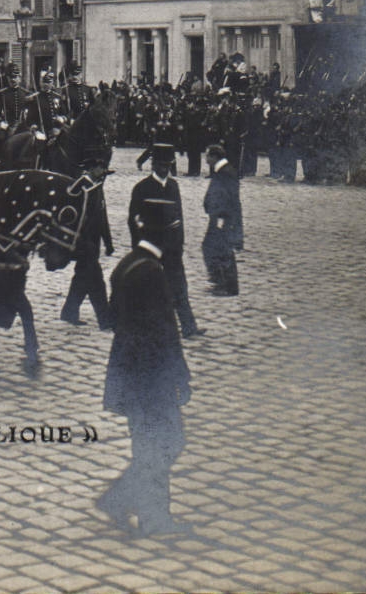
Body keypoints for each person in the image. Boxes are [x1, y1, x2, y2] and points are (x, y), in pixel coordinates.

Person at [98, 223, 195, 537]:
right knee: (167, 441)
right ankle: (149, 516)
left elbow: (111, 317)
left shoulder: (126, 265)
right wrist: (181, 376)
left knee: (148, 443)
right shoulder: (153, 273)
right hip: (153, 376)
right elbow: (166, 332)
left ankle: (126, 503)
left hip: (128, 373)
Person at [128, 142, 202, 339]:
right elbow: (133, 220)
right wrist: (139, 248)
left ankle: (189, 327)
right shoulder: (141, 188)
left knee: (179, 288)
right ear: (153, 165)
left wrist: (179, 244)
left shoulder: (173, 186)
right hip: (150, 248)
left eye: (167, 166)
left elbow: (179, 217)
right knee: (147, 289)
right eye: (161, 165)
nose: (164, 170)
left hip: (171, 248)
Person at [60, 155, 115, 329]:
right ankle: (105, 320)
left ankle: (69, 312)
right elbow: (71, 216)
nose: (103, 171)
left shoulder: (97, 187)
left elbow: (102, 217)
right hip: (83, 244)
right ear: (91, 168)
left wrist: (108, 241)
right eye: (100, 167)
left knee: (82, 279)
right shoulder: (80, 187)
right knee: (97, 282)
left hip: (94, 243)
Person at [201, 144, 243, 296]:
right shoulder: (223, 171)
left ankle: (223, 284)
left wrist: (221, 217)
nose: (206, 160)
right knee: (218, 249)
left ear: (214, 157)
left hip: (222, 217)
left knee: (217, 249)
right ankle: (224, 283)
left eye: (207, 156)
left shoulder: (226, 173)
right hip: (219, 216)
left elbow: (227, 197)